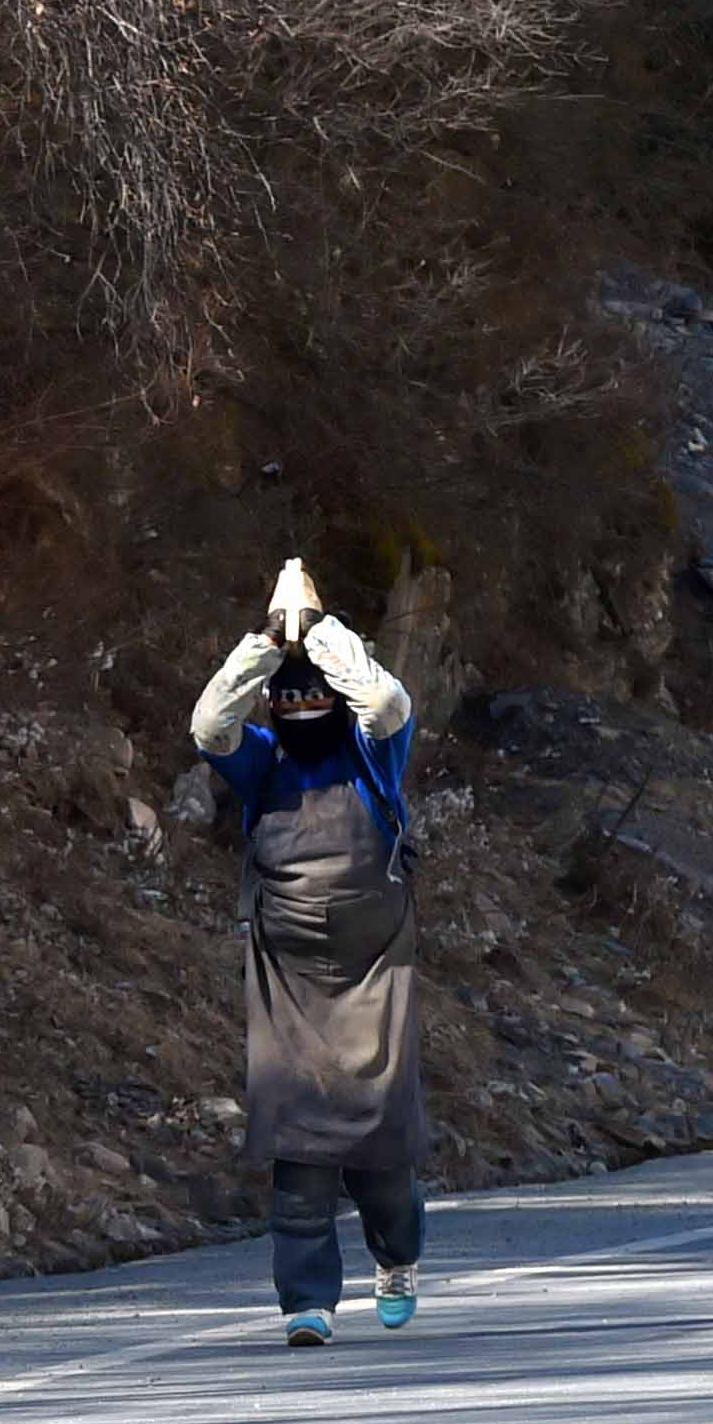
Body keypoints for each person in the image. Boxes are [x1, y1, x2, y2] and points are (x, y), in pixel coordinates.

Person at [190, 561, 429, 1347]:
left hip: (374, 970)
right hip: (289, 976)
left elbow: (389, 701)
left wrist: (322, 636)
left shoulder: (371, 753)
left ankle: (397, 1256)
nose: (301, 704)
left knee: (380, 1144)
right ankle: (307, 1301)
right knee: (298, 1139)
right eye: (286, 695)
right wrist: (266, 641)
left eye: (311, 690)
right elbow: (207, 726)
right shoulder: (261, 758)